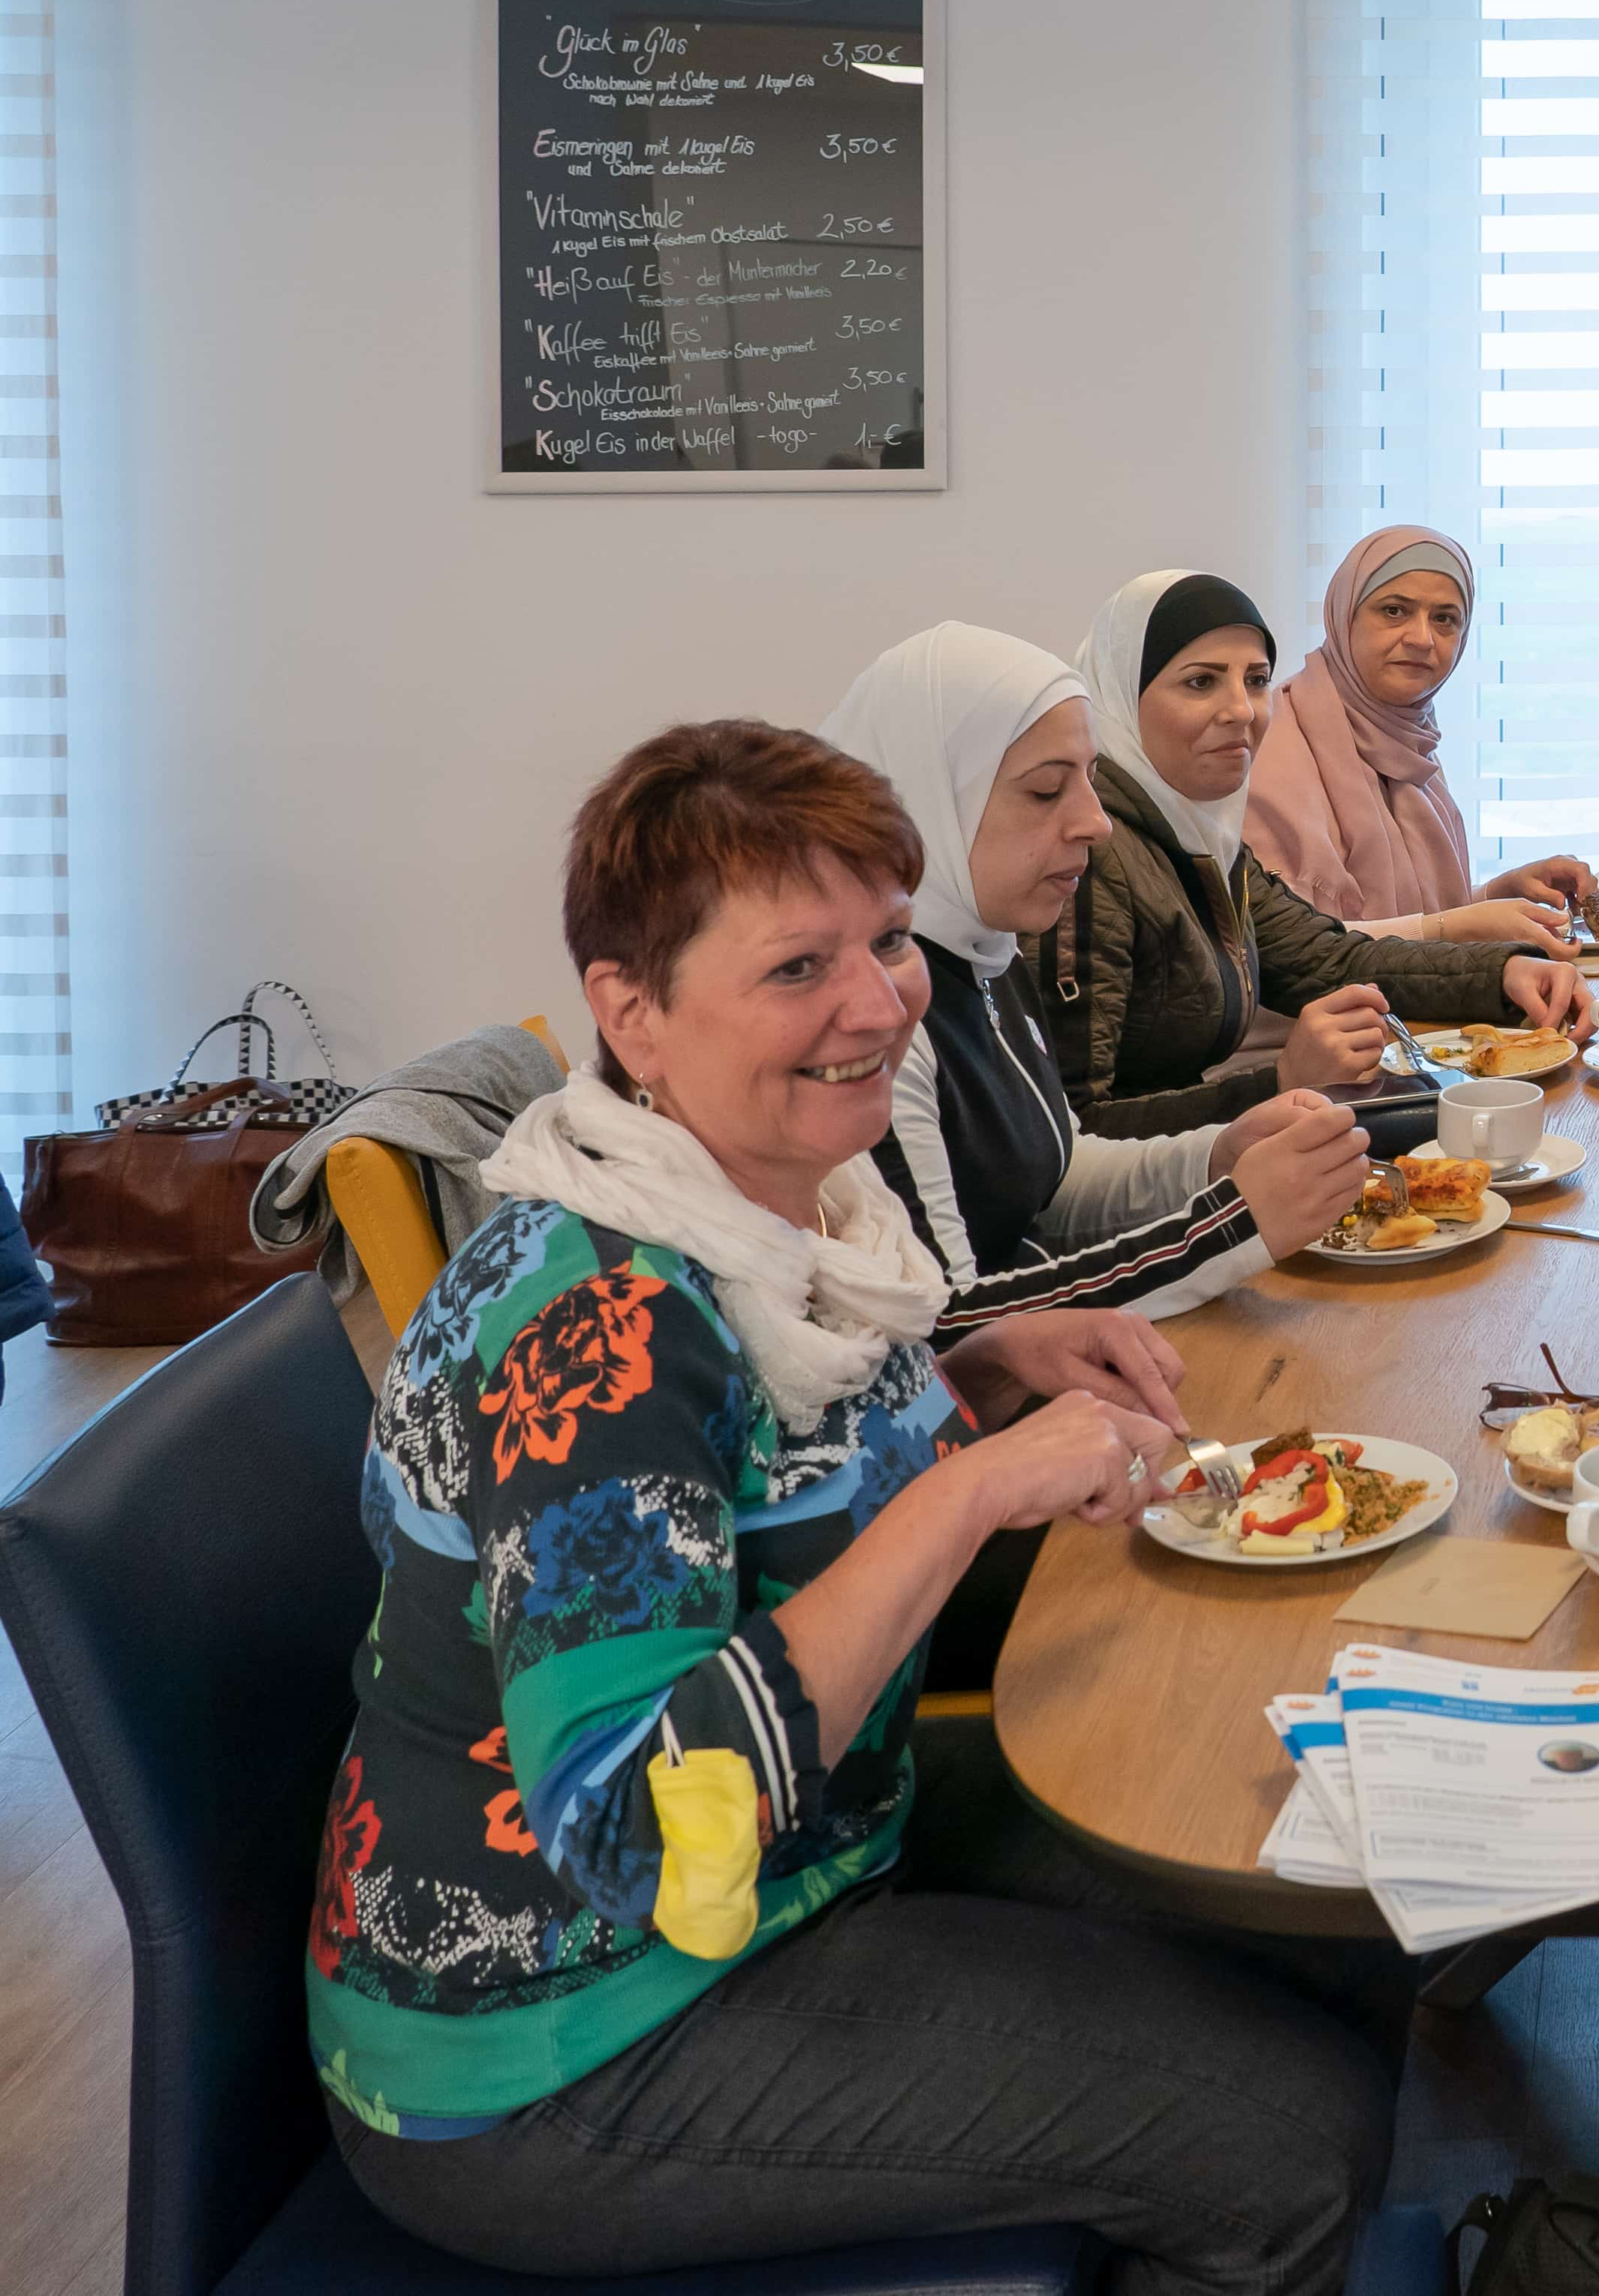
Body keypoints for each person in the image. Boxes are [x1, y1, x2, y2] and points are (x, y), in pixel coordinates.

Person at [313, 719, 1396, 2291]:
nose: (877, 1004)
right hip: (568, 2036)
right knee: (1285, 2139)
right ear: (636, 1017)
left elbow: (775, 1464)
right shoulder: (594, 1327)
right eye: (796, 967)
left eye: (887, 940)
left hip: (806, 1851)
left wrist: (982, 1359)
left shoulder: (786, 1222)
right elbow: (626, 1829)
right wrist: (962, 1501)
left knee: (1313, 1887)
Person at [822, 624, 1370, 1329]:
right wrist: (1228, 1224)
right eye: (1048, 790)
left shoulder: (985, 947)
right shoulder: (871, 1013)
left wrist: (1216, 1157)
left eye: (1089, 778)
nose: (1095, 822)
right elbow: (946, 1329)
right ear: (924, 796)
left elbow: (1053, 1180)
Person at [1040, 568, 1591, 1135]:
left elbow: (1332, 959)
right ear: (1117, 697)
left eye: (1255, 680)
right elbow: (1072, 1134)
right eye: (1201, 683)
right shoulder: (1087, 859)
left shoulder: (1198, 836)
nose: (1243, 710)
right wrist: (1281, 1081)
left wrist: (1504, 972)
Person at [1244, 525, 1597, 943]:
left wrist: (1501, 893)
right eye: (1394, 611)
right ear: (1344, 615)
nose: (1422, 639)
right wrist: (1459, 927)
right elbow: (1281, 945)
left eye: (1445, 619)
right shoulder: (1268, 745)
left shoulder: (1408, 740)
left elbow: (1412, 914)